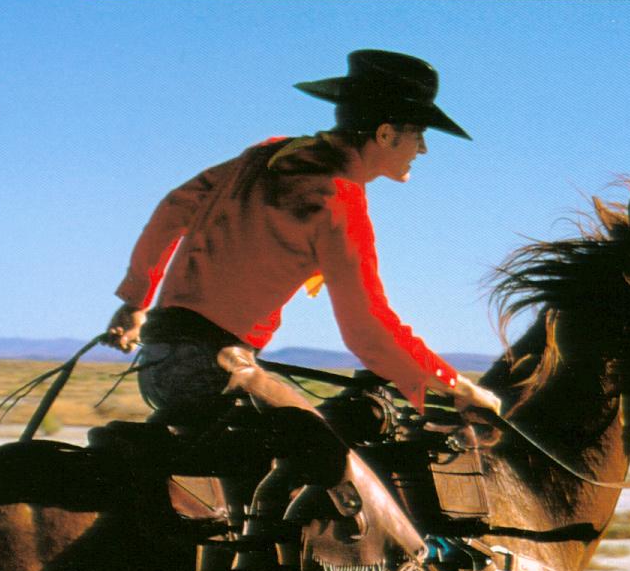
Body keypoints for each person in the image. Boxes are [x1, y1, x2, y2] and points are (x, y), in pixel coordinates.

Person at [102, 48, 502, 425]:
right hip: (213, 369)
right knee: (332, 452)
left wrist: (137, 300)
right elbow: (366, 328)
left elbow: (175, 207)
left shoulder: (268, 154)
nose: (424, 149)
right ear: (385, 135)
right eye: (418, 134)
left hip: (156, 362)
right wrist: (457, 386)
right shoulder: (338, 200)